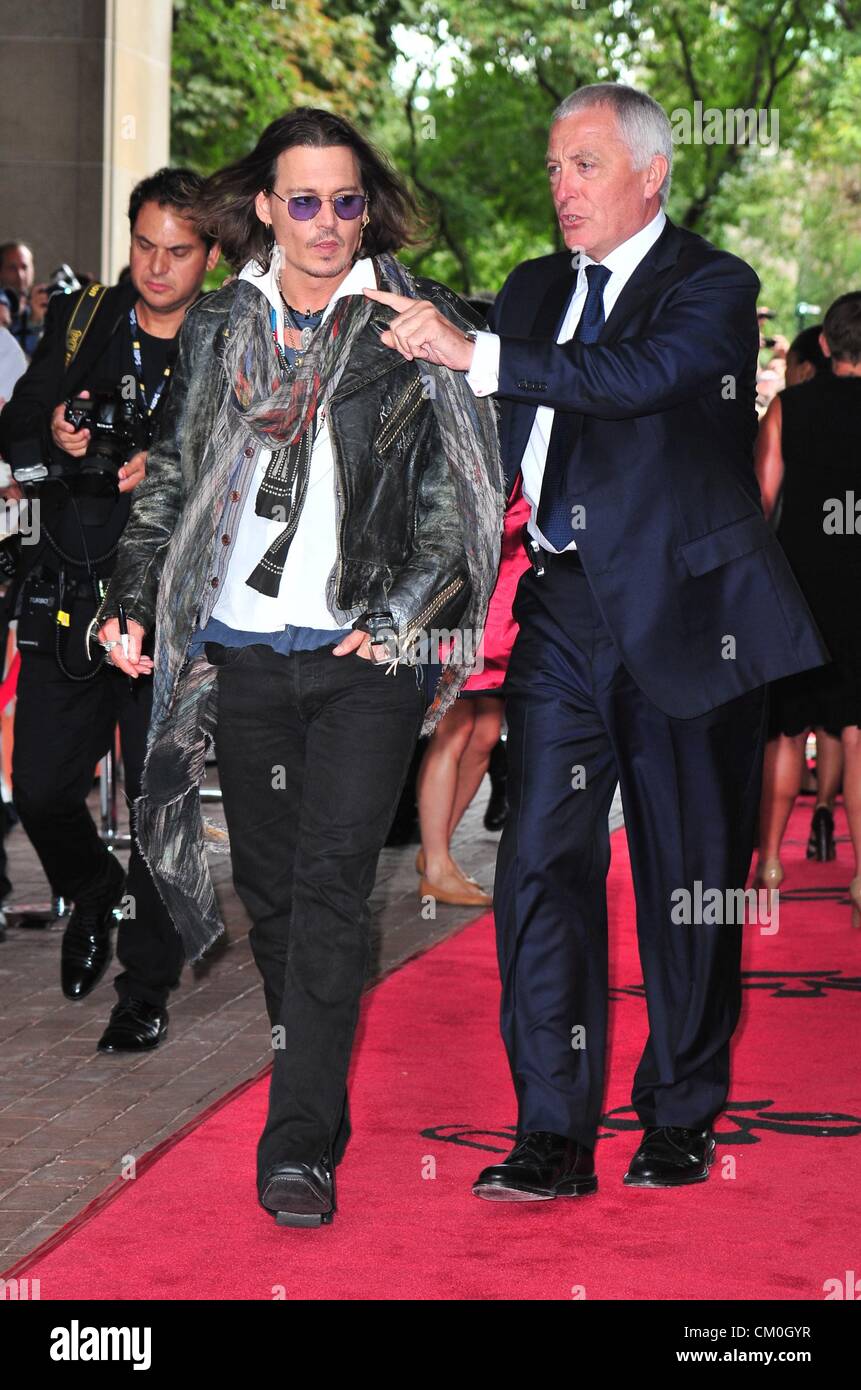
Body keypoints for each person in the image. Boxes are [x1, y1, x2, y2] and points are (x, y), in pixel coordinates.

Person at [367, 81, 826, 1201]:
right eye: (555, 166)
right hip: (562, 616)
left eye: (584, 165)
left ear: (651, 173)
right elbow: (474, 407)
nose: (560, 188)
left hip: (688, 618)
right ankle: (554, 1131)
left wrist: (479, 355)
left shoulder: (713, 287)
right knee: (538, 869)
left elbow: (641, 379)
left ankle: (678, 1110)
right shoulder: (530, 286)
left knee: (687, 878)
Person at [95, 108, 503, 1227]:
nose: (328, 224)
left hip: (363, 658)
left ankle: (299, 1138)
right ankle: (311, 1061)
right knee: (273, 894)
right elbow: (174, 481)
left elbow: (456, 497)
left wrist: (406, 611)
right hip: (241, 657)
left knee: (330, 889)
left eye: (348, 201)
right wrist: (133, 597)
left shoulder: (404, 326)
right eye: (305, 200)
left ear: (366, 209)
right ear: (267, 208)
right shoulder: (224, 325)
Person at [0, 169, 220, 1051]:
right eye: (144, 247)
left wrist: (171, 473)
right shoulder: (85, 318)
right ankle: (89, 887)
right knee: (46, 786)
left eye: (177, 252)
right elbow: (13, 424)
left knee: (157, 796)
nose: (157, 267)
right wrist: (52, 429)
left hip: (170, 601)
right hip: (71, 592)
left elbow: (255, 470)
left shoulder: (226, 341)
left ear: (210, 254)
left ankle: (145, 985)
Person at [753, 294, 861, 927]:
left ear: (824, 346)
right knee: (856, 729)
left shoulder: (789, 408)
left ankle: (769, 861)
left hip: (800, 583)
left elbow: (763, 504)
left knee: (787, 728)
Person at [415, 474, 530, 906]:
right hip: (468, 585)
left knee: (484, 735)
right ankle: (438, 864)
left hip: (510, 592)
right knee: (455, 728)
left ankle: (435, 853)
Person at [0, 241, 49, 358]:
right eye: (12, 268)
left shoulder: (37, 305)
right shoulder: (3, 301)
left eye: (24, 267)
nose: (20, 275)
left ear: (33, 270)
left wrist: (35, 320)